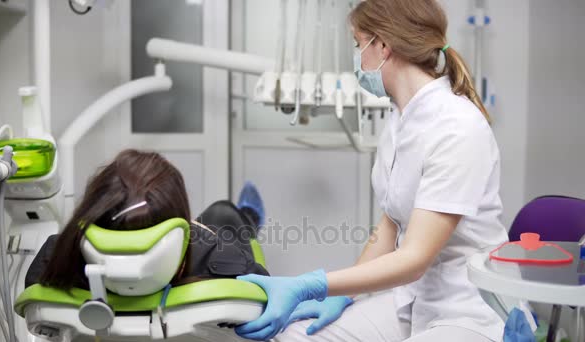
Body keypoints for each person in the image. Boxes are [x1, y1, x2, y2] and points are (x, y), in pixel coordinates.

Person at [234, 0, 508, 341]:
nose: (356, 56)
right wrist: (342, 295)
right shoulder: (399, 120)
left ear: (381, 45)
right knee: (296, 335)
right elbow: (391, 222)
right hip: (413, 300)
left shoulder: (457, 127)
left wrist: (312, 285)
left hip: (468, 310)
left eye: (356, 43)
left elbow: (415, 258)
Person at [26, 149, 269, 290]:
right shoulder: (224, 264)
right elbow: (265, 291)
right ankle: (248, 219)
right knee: (223, 214)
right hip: (205, 250)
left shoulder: (54, 262)